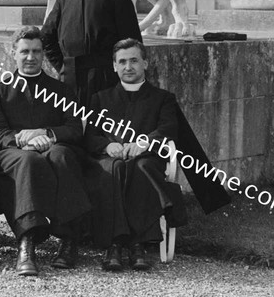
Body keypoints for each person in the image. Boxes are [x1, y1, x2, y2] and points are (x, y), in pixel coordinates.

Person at [84, 38, 229, 271]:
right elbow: (90, 135)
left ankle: (129, 244)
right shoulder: (100, 99)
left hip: (147, 158)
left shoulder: (162, 98)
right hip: (111, 160)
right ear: (114, 66)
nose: (128, 67)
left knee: (140, 169)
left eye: (134, 60)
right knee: (116, 168)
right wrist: (106, 146)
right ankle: (125, 244)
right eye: (122, 62)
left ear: (145, 64)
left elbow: (168, 128)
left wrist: (145, 142)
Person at [0, 26, 91, 276]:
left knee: (62, 156)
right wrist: (24, 141)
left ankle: (68, 241)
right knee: (27, 161)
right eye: (24, 52)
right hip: (14, 154)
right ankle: (27, 242)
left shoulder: (61, 90)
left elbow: (75, 128)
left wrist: (47, 134)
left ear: (43, 54)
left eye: (36, 51)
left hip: (52, 147)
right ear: (13, 53)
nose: (31, 57)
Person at [41, 0, 142, 106]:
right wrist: (64, 67)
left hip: (106, 82)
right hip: (70, 83)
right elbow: (46, 37)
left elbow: (132, 44)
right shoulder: (64, 0)